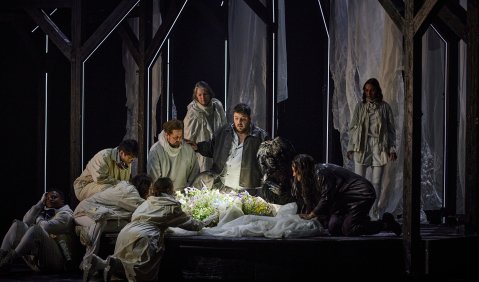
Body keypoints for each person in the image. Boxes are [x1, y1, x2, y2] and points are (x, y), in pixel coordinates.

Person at [85, 177, 204, 282]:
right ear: (168, 190)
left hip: (126, 232)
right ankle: (111, 263)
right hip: (145, 236)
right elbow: (191, 224)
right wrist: (206, 222)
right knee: (140, 272)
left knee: (123, 270)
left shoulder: (147, 202)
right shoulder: (171, 206)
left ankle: (101, 262)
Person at [291, 154, 401, 236]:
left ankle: (385, 224)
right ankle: (361, 220)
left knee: (349, 229)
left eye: (295, 170)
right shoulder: (313, 176)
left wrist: (311, 215)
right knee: (333, 227)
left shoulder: (320, 173)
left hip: (361, 194)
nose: (294, 174)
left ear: (302, 168)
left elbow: (327, 197)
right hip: (345, 199)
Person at [74, 173, 152, 280]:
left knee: (125, 225)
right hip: (84, 212)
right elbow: (143, 207)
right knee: (99, 220)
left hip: (99, 215)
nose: (150, 192)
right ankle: (88, 261)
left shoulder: (128, 191)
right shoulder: (128, 192)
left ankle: (99, 263)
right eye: (150, 188)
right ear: (144, 186)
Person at [187, 103, 270, 196]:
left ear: (249, 119)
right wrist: (198, 147)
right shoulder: (224, 131)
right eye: (236, 118)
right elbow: (212, 148)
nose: (239, 122)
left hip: (246, 189)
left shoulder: (261, 137)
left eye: (243, 118)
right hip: (222, 186)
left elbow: (267, 162)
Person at [347, 78, 397, 220]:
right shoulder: (360, 107)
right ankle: (358, 213)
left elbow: (391, 131)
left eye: (372, 90)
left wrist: (392, 149)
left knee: (376, 182)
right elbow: (352, 128)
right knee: (359, 181)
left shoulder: (385, 107)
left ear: (377, 90)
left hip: (379, 147)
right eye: (366, 90)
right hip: (362, 146)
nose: (369, 93)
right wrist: (351, 147)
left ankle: (374, 213)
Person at [0, 190, 78, 274]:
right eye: (47, 198)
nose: (50, 199)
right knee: (17, 225)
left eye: (54, 197)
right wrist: (40, 204)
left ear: (62, 201)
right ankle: (1, 258)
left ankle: (9, 260)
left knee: (36, 229)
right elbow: (25, 221)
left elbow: (45, 227)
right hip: (38, 260)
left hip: (58, 262)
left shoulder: (66, 215)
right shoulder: (44, 211)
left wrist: (39, 217)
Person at [74, 139, 139, 201]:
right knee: (112, 191)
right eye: (130, 158)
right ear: (122, 153)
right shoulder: (103, 156)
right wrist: (122, 184)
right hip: (85, 187)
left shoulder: (126, 162)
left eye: (133, 159)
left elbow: (124, 182)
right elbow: (99, 179)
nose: (131, 160)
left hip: (109, 186)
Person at [183, 81, 227, 172]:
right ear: (196, 96)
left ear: (209, 94)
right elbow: (188, 138)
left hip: (218, 150)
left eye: (205, 94)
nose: (202, 97)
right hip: (201, 154)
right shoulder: (193, 113)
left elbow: (225, 127)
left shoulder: (217, 106)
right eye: (199, 95)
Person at [147, 120, 200, 192]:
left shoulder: (188, 149)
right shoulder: (155, 151)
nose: (179, 140)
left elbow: (194, 174)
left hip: (184, 195)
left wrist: (188, 193)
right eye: (175, 137)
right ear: (167, 135)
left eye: (181, 137)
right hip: (163, 196)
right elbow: (155, 179)